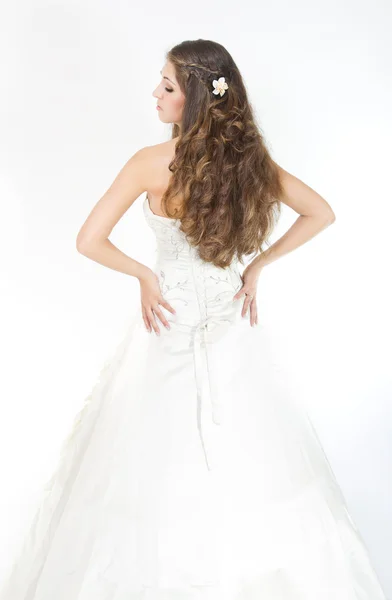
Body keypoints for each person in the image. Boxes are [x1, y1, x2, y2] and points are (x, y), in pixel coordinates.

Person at [1, 39, 387, 600]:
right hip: (232, 322)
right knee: (249, 448)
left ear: (199, 98)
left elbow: (89, 240)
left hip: (167, 318)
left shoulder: (150, 163)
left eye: (167, 86)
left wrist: (145, 276)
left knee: (146, 453)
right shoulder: (251, 161)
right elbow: (320, 212)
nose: (155, 94)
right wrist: (256, 266)